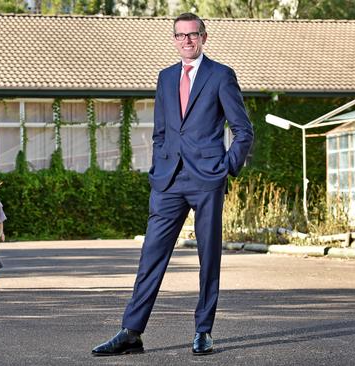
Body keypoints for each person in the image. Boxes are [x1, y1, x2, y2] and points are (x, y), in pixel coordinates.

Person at [92, 13, 253, 356]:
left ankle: (204, 331)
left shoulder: (221, 75)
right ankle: (131, 332)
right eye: (180, 36)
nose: (186, 41)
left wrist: (225, 167)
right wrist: (158, 166)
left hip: (207, 178)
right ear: (174, 39)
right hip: (168, 180)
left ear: (203, 37)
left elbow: (243, 130)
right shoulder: (165, 78)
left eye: (192, 35)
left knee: (208, 257)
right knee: (151, 255)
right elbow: (161, 131)